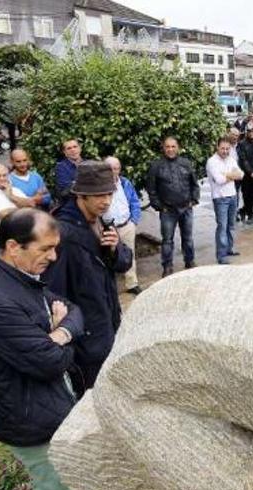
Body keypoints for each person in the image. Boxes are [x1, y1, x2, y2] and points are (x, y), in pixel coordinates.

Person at [0, 208, 84, 490]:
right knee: (58, 489)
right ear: (13, 247)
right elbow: (51, 363)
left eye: (55, 248)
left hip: (49, 411)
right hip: (32, 426)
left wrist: (59, 333)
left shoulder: (22, 279)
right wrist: (62, 339)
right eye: (46, 249)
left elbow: (76, 311)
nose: (53, 257)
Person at [43, 162, 132, 395]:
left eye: (109, 194)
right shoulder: (62, 233)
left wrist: (114, 250)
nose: (106, 201)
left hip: (108, 320)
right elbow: (53, 291)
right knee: (92, 399)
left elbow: (124, 263)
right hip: (85, 335)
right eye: (98, 195)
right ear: (80, 195)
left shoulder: (102, 220)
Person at [146, 137, 200, 277]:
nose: (170, 149)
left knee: (188, 238)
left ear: (178, 147)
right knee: (167, 240)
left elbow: (194, 184)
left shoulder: (186, 163)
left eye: (173, 146)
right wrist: (159, 206)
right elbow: (151, 190)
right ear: (163, 148)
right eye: (167, 147)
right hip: (167, 210)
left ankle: (190, 261)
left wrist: (193, 200)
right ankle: (167, 266)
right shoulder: (156, 166)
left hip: (186, 208)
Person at [102, 156, 143, 294]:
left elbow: (134, 202)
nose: (114, 171)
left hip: (126, 225)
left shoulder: (125, 183)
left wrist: (134, 221)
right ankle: (110, 286)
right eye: (110, 168)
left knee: (129, 255)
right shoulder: (100, 185)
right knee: (107, 257)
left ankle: (132, 283)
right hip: (108, 227)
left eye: (116, 168)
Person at [207, 137, 244, 265]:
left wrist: (226, 174)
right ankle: (221, 255)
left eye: (227, 148)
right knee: (222, 226)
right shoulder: (212, 162)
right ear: (217, 147)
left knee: (231, 225)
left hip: (233, 195)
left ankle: (229, 249)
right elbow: (219, 180)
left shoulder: (231, 159)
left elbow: (241, 174)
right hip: (220, 198)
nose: (225, 151)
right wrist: (232, 175)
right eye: (222, 148)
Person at [54, 139, 85, 204]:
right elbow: (66, 190)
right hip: (71, 203)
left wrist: (74, 182)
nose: (73, 150)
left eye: (75, 147)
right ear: (65, 152)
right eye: (69, 148)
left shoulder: (88, 164)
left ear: (80, 149)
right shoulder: (61, 167)